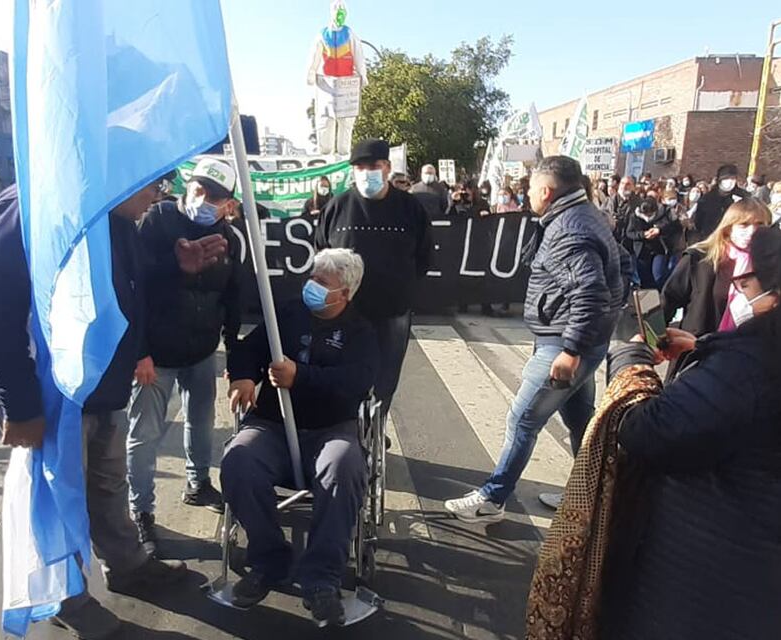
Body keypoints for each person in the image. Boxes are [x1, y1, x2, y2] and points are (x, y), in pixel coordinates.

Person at [0, 175, 225, 640]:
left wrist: (176, 267)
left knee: (107, 483)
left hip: (100, 385)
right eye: (148, 181)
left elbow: (128, 287)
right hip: (47, 394)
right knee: (53, 498)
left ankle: (127, 565)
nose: (157, 193)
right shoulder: (33, 204)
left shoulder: (118, 218)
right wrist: (20, 405)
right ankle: (65, 597)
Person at [596, 225, 781, 640]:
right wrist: (705, 349)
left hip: (712, 580)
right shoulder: (751, 361)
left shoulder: (751, 366)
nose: (736, 289)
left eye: (745, 282)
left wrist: (630, 360)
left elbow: (649, 433)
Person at [444, 156, 624, 521]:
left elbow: (590, 292)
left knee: (523, 421)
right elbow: (620, 270)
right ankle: (590, 499)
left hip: (565, 344)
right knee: (580, 421)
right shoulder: (586, 216)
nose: (526, 194)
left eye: (529, 188)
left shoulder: (569, 230)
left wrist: (571, 350)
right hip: (580, 339)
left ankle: (492, 500)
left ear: (547, 190)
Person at [221, 248, 378, 626]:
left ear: (345, 294)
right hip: (272, 425)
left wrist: (300, 378)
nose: (313, 286)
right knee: (237, 460)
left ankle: (321, 578)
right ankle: (268, 560)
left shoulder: (360, 332)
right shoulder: (287, 314)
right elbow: (247, 349)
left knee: (344, 466)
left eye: (323, 283)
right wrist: (243, 374)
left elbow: (356, 385)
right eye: (313, 277)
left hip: (330, 429)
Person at [126, 159, 243, 557]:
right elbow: (132, 287)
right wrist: (139, 351)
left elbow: (233, 296)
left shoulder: (229, 236)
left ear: (228, 204)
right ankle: (140, 511)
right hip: (154, 355)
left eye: (216, 196)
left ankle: (198, 483)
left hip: (201, 350)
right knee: (144, 435)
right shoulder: (156, 221)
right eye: (200, 189)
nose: (204, 200)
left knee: (202, 422)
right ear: (187, 185)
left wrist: (233, 353)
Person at [315, 139, 430, 413]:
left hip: (392, 313)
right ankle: (347, 429)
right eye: (360, 167)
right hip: (345, 313)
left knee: (385, 379)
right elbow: (322, 255)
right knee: (342, 374)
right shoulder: (336, 207)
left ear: (388, 167)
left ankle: (376, 428)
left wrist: (399, 287)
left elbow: (423, 258)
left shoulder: (410, 209)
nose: (367, 172)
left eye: (374, 166)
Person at [662, 199, 771, 345]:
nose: (752, 231)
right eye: (744, 224)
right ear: (728, 228)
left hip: (748, 354)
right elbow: (668, 300)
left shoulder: (771, 265)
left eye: (760, 225)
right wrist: (653, 342)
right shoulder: (699, 259)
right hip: (697, 350)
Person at [625, 196, 679, 290]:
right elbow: (629, 233)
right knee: (645, 280)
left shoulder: (664, 213)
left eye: (651, 214)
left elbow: (674, 227)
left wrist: (659, 230)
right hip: (642, 252)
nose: (648, 217)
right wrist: (643, 234)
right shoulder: (634, 216)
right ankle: (649, 301)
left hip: (659, 249)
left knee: (659, 276)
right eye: (646, 214)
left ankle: (662, 294)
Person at [688, 163, 749, 245]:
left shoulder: (743, 197)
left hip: (731, 241)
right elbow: (699, 221)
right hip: (709, 238)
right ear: (719, 180)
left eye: (733, 179)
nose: (730, 182)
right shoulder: (707, 198)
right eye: (726, 178)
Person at [602, 176, 641, 249]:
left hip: (630, 245)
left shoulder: (638, 203)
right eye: (622, 183)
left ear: (634, 187)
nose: (624, 186)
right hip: (611, 243)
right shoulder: (609, 201)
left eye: (628, 184)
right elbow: (600, 217)